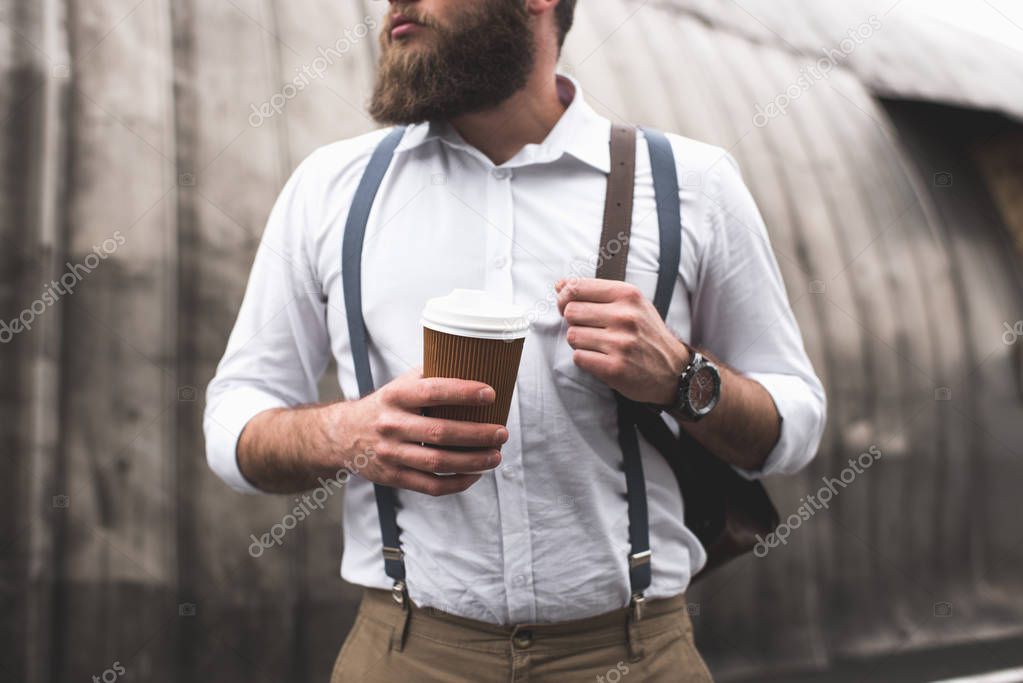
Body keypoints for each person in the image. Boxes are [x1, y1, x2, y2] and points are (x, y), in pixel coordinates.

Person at [203, 1, 826, 680]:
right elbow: (235, 414)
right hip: (408, 653)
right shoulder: (331, 191)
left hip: (638, 655)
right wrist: (343, 433)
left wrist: (681, 376)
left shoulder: (691, 184)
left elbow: (790, 427)